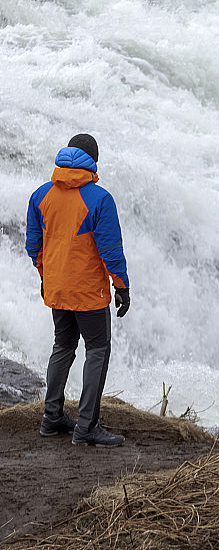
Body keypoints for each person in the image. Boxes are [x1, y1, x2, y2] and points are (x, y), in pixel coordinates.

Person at [25, 134, 130, 448]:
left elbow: (34, 247)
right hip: (88, 293)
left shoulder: (40, 195)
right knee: (97, 350)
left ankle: (52, 416)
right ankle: (86, 427)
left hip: (57, 288)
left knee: (63, 347)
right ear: (93, 161)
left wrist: (46, 276)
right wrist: (121, 285)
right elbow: (110, 250)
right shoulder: (99, 198)